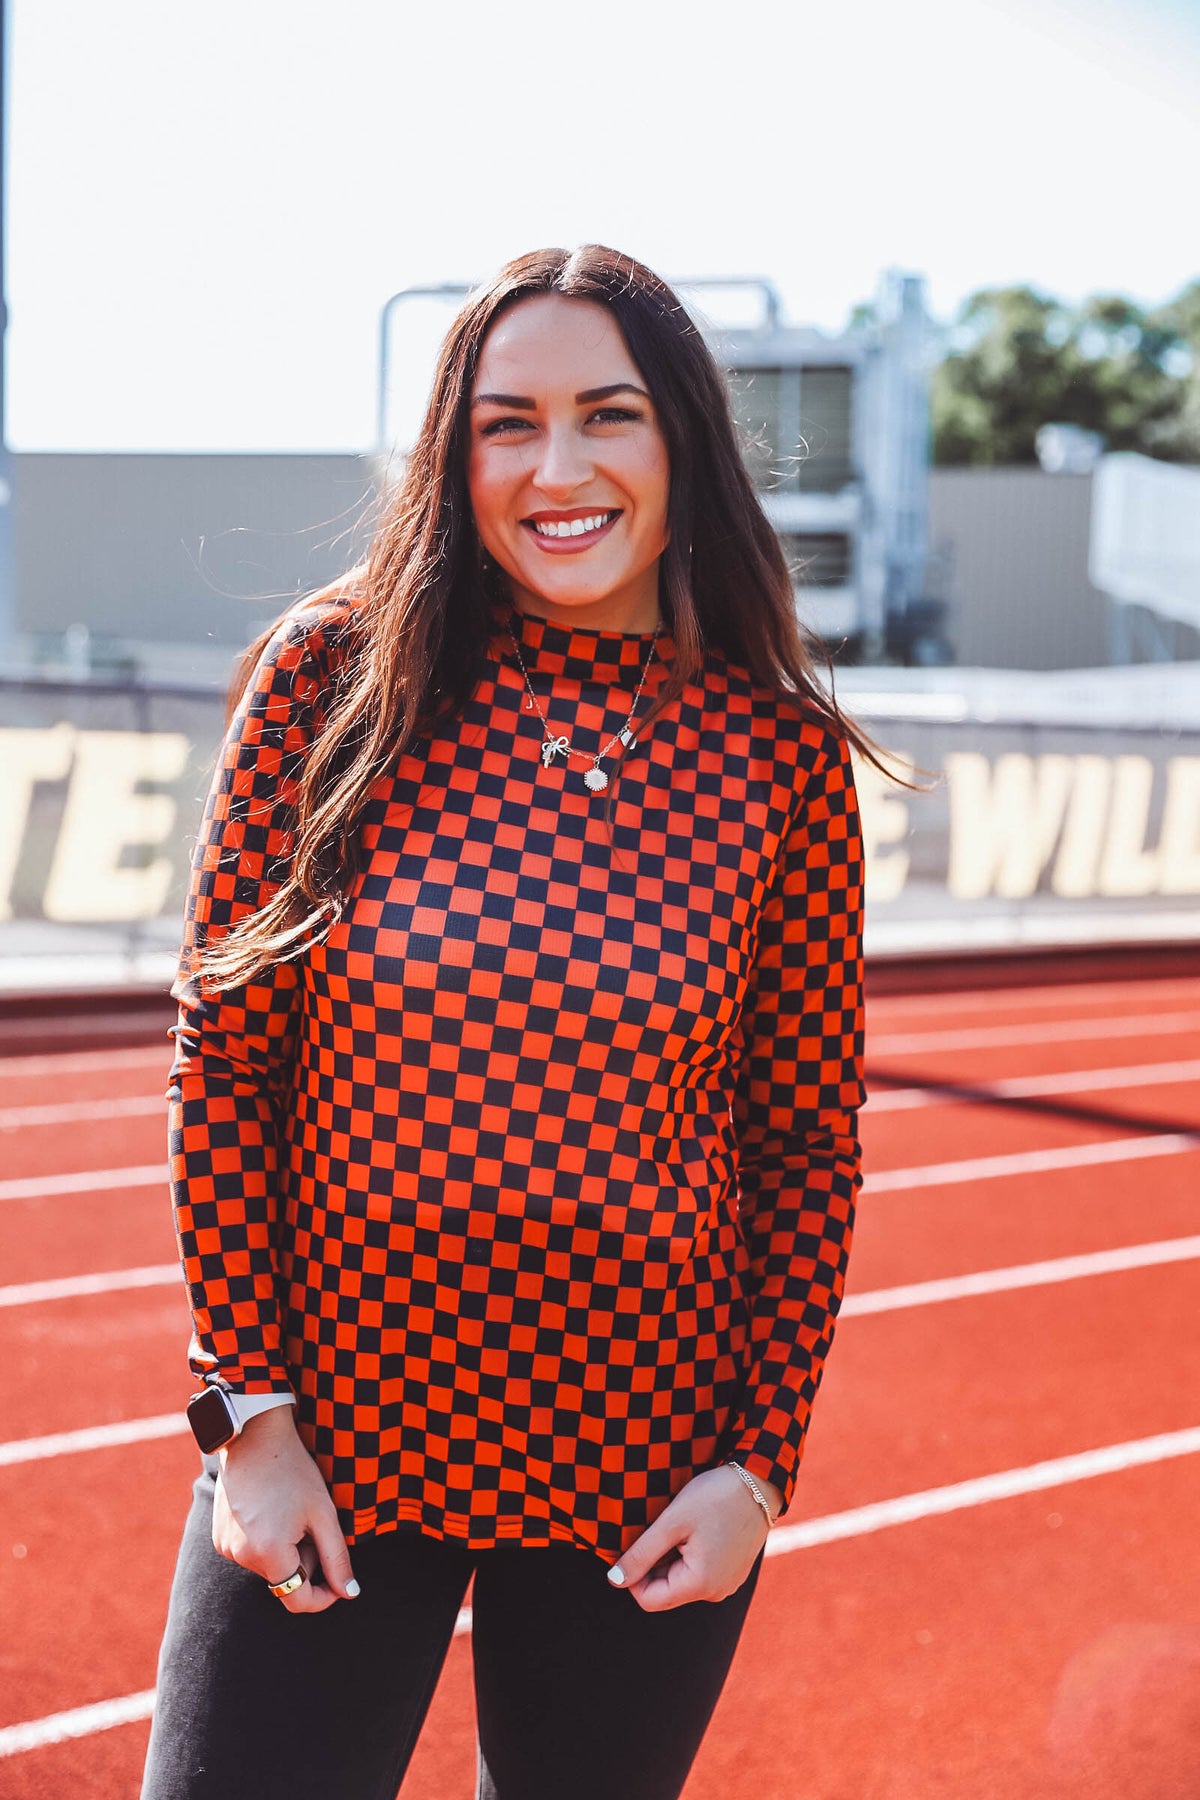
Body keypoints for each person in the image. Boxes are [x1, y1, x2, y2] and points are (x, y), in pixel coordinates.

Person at [141, 244, 875, 1800]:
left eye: (608, 416)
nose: (559, 469)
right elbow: (228, 1065)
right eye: (506, 423)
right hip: (333, 1439)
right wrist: (249, 1420)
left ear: (679, 442)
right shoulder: (331, 679)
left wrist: (756, 1469)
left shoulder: (777, 757)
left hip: (642, 1468)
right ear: (451, 452)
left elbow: (803, 1137)